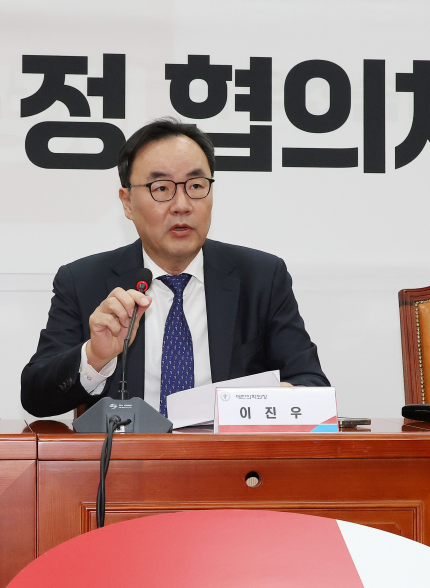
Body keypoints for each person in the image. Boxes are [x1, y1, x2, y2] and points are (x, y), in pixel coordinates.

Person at [20, 118, 328, 418]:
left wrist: (258, 403)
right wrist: (95, 357)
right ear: (127, 202)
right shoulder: (84, 281)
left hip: (228, 465)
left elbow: (312, 386)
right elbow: (35, 397)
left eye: (196, 185)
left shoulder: (261, 277)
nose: (182, 204)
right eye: (162, 188)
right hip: (125, 465)